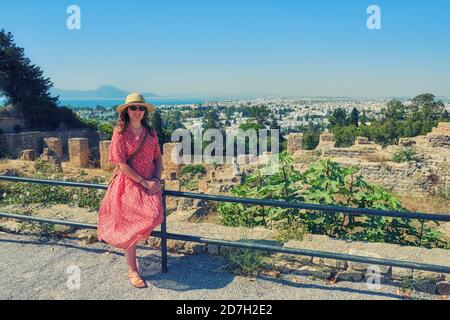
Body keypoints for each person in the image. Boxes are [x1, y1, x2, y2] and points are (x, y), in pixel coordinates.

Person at [97, 92, 164, 289]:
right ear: (127, 111)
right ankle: (132, 269)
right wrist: (144, 181)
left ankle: (133, 262)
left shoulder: (150, 133)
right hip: (129, 183)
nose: (137, 111)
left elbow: (158, 158)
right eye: (133, 108)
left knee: (151, 214)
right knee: (129, 224)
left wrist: (156, 179)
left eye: (141, 108)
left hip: (150, 182)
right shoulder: (120, 132)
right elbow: (121, 164)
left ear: (145, 111)